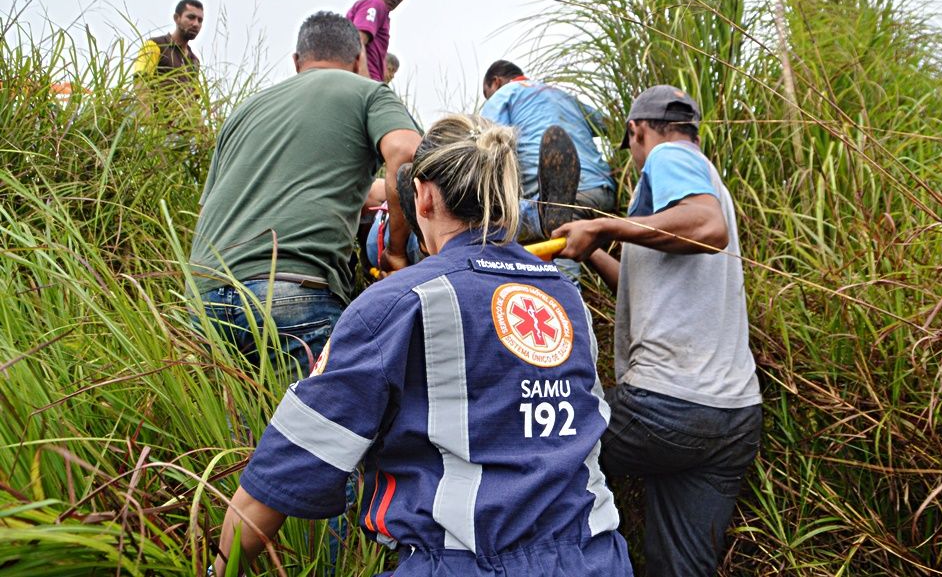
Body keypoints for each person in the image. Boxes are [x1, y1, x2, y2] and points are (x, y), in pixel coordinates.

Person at [212, 114, 633, 577]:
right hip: (599, 558)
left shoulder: (396, 304)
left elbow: (288, 463)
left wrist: (218, 569)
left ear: (424, 195)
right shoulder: (566, 299)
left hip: (462, 566)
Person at [553, 86, 762, 577]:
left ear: (636, 132)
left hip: (668, 409)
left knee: (539, 440)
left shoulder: (669, 156)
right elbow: (642, 282)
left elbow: (708, 229)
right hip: (732, 419)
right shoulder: (699, 190)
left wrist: (608, 228)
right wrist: (592, 248)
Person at [189, 11, 422, 377]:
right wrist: (395, 253)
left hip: (203, 299)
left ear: (297, 62)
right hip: (292, 295)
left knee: (226, 433)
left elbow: (208, 211)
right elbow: (408, 157)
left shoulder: (245, 110)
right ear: (359, 60)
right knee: (317, 432)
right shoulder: (368, 92)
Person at [480, 60, 616, 238]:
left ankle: (544, 212)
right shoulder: (561, 94)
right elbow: (610, 126)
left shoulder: (503, 95)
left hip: (560, 202)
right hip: (603, 190)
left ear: (496, 82)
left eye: (487, 94)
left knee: (493, 229)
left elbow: (490, 149)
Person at [346, 0, 414, 82]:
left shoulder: (381, 13)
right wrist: (365, 84)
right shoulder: (375, 4)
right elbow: (357, 40)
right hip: (364, 83)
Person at [132, 0, 204, 97]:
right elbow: (140, 82)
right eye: (191, 17)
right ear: (177, 18)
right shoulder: (155, 45)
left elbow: (193, 100)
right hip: (157, 111)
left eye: (200, 20)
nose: (196, 24)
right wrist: (146, 112)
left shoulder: (194, 61)